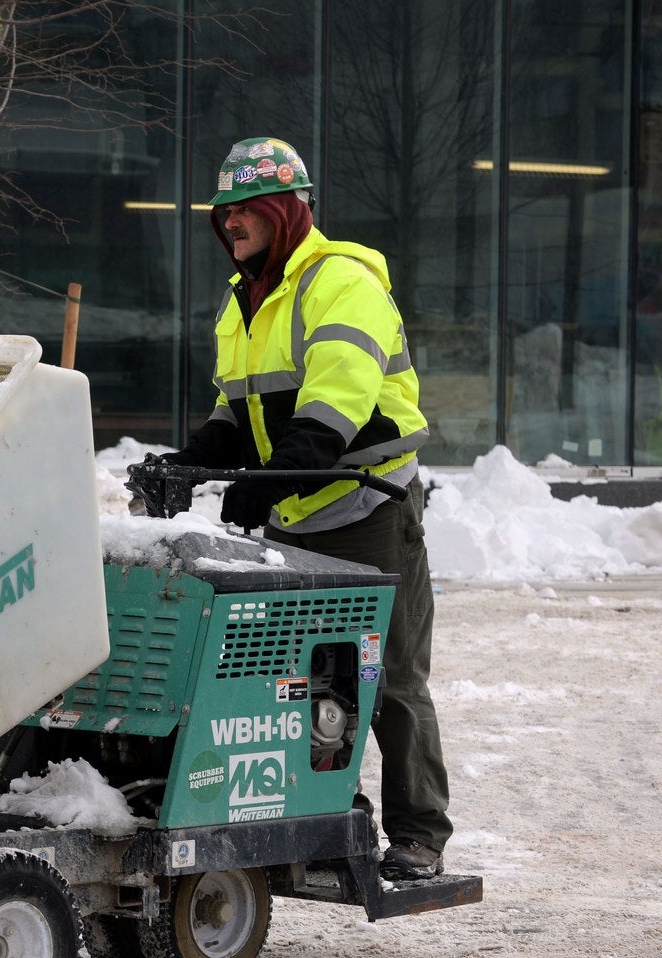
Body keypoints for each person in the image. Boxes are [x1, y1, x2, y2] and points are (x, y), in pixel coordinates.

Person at [160, 136, 451, 880]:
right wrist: (192, 460)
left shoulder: (341, 284)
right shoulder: (245, 300)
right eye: (223, 214)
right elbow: (239, 406)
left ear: (285, 211)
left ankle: (418, 830)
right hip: (298, 512)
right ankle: (328, 811)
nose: (230, 225)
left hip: (369, 503)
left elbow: (331, 413)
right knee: (301, 677)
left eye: (245, 211)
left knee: (385, 677)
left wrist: (265, 480)